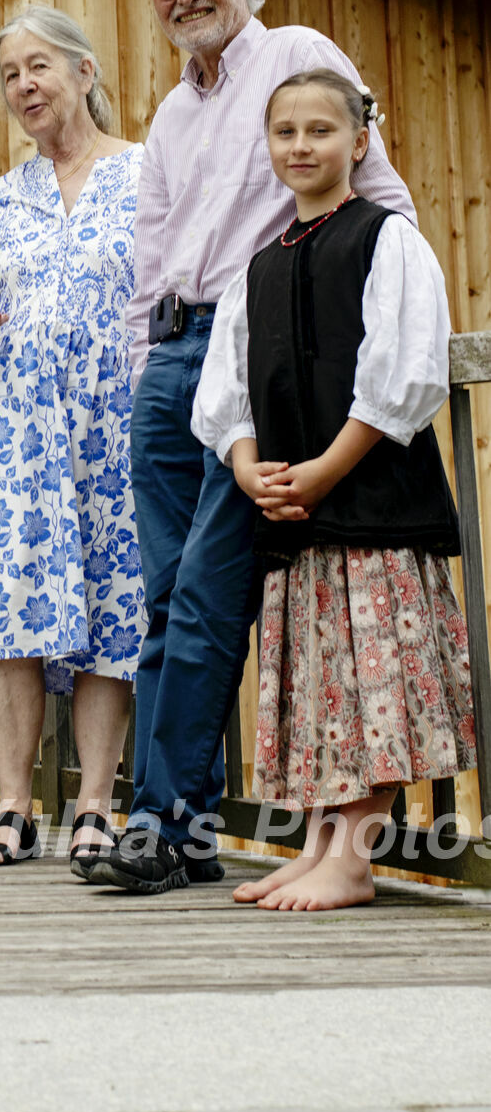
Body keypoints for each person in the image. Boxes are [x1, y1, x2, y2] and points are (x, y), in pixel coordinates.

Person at [92, 0, 417, 896]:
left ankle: (161, 824)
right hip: (168, 360)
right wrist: (138, 370)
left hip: (255, 362)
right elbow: (150, 259)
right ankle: (174, 828)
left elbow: (377, 194)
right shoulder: (169, 113)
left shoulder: (292, 54)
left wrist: (379, 305)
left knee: (201, 594)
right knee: (157, 603)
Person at [190, 68, 475, 909]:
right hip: (294, 515)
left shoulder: (385, 240)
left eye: (321, 130)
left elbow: (404, 375)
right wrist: (247, 466)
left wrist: (323, 470)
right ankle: (319, 842)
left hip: (369, 507)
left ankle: (352, 856)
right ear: (269, 147)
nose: (302, 145)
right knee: (321, 686)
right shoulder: (257, 267)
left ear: (358, 141)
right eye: (285, 132)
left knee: (371, 685)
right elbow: (226, 390)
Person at [0, 6, 144, 875]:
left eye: (40, 67)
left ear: (85, 72)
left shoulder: (145, 175)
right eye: (11, 74)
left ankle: (96, 804)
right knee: (10, 612)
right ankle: (13, 805)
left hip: (115, 420)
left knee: (111, 603)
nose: (25, 85)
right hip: (13, 429)